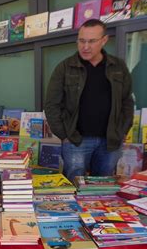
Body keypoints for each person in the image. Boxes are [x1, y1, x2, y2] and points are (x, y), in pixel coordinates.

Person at [44, 19, 134, 181]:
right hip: (76, 141)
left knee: (103, 185)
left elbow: (127, 102)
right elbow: (52, 105)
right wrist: (64, 135)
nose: (85, 46)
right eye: (82, 41)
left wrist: (122, 131)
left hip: (110, 140)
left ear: (104, 40)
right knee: (73, 184)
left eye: (92, 41)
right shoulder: (64, 68)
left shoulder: (118, 67)